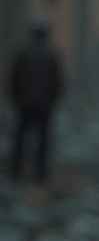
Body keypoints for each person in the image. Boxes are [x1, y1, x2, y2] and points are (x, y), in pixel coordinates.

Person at [7, 19, 64, 183]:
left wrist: (16, 100)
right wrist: (53, 101)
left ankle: (15, 172)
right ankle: (40, 174)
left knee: (20, 140)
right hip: (44, 106)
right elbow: (58, 82)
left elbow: (13, 80)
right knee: (43, 141)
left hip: (24, 104)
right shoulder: (51, 55)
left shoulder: (22, 54)